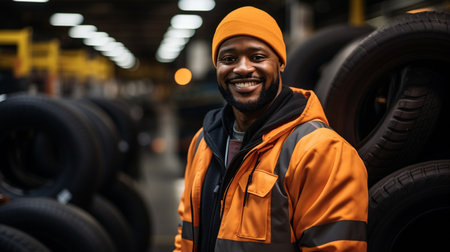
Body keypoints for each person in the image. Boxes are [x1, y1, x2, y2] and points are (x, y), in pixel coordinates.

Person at [174, 6, 368, 252]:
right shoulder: (203, 142)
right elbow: (186, 239)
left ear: (281, 63)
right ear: (217, 67)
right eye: (229, 59)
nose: (242, 68)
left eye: (257, 57)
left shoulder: (321, 151)